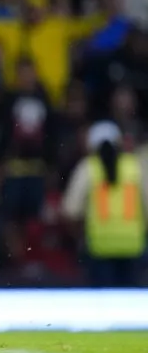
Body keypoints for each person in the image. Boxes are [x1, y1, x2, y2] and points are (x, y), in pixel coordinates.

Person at [61, 121, 148, 287]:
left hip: (99, 249)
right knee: (130, 305)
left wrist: (80, 237)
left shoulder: (88, 168)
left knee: (103, 306)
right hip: (133, 247)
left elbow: (70, 210)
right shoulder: (135, 166)